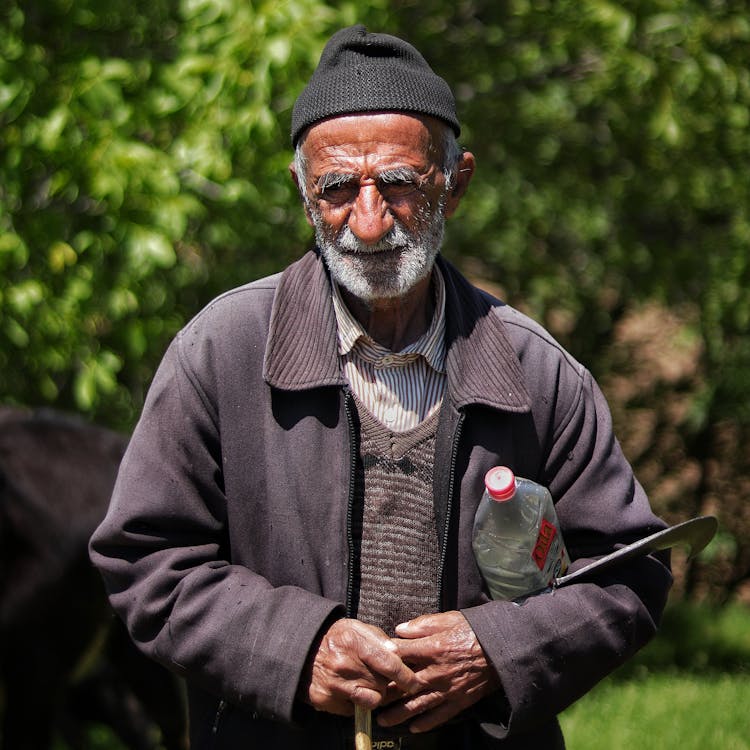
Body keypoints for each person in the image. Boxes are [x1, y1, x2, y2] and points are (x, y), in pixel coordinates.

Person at [90, 25, 672, 750]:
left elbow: (631, 572)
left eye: (399, 183)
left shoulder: (537, 370)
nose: (368, 222)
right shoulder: (219, 353)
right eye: (337, 189)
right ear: (302, 192)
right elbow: (145, 559)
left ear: (455, 184)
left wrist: (495, 649)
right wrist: (298, 649)